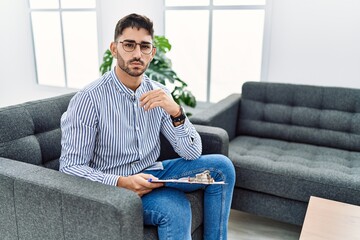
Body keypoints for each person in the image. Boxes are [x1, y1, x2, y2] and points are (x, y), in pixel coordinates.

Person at [59, 13, 235, 240]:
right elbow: (70, 167)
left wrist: (176, 112)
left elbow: (191, 153)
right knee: (176, 208)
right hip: (114, 185)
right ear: (114, 48)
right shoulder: (89, 99)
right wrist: (122, 182)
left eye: (144, 47)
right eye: (129, 45)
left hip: (153, 172)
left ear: (152, 53)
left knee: (223, 167)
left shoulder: (159, 93)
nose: (137, 54)